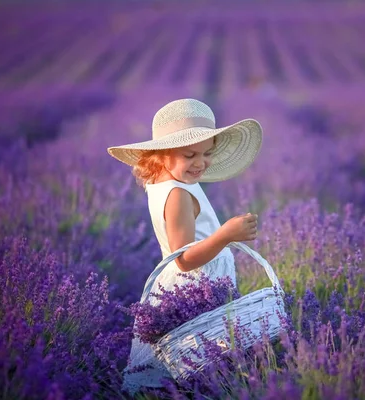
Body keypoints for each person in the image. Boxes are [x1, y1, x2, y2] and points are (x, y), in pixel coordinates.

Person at [106, 98, 263, 395]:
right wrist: (225, 235)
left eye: (207, 153)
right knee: (193, 360)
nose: (201, 163)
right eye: (190, 154)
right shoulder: (177, 193)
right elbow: (184, 259)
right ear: (162, 155)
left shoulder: (167, 183)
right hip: (192, 289)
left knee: (186, 362)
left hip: (195, 286)